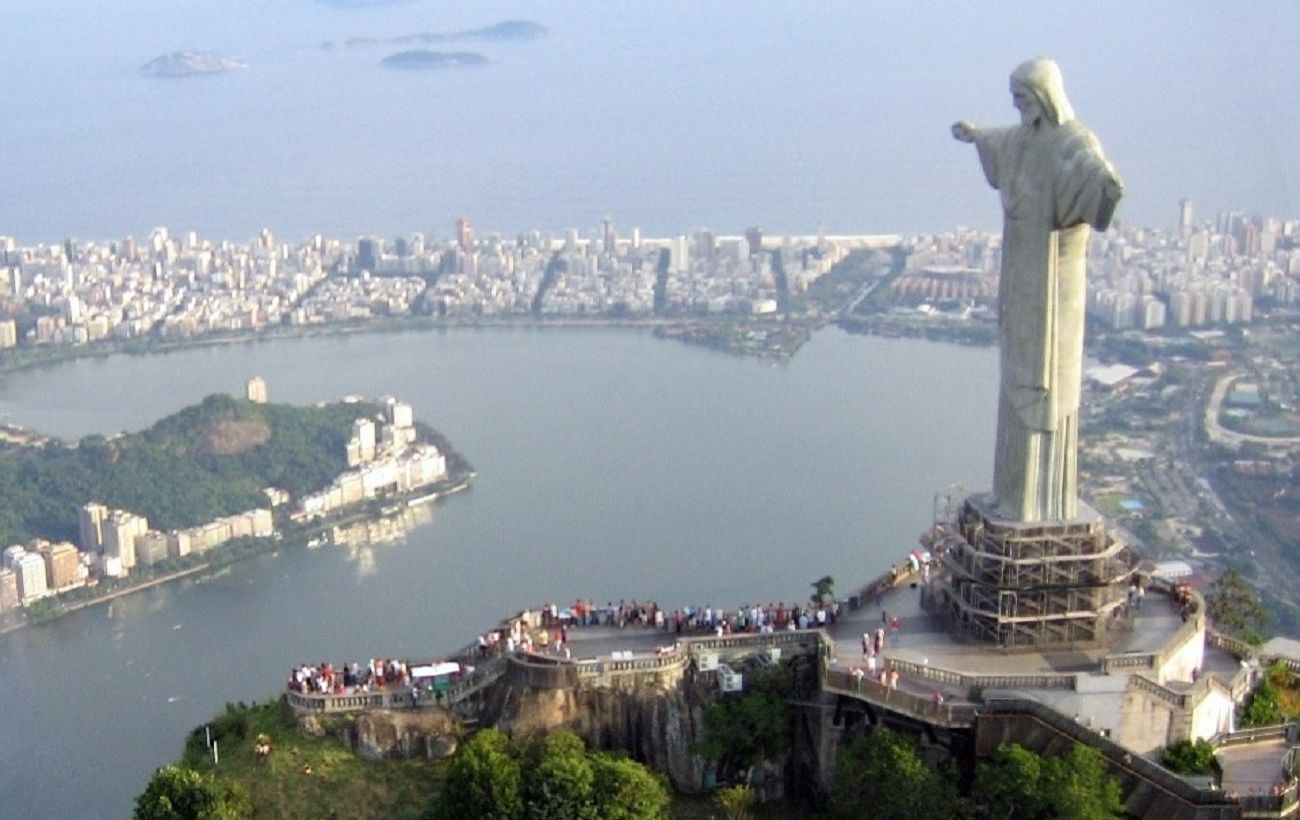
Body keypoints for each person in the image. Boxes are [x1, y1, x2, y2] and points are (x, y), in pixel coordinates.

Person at [953, 58, 1123, 522]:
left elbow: (1094, 178)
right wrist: (975, 134)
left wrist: (1106, 184)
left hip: (1054, 282)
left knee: (1045, 381)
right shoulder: (1023, 140)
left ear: (1045, 95)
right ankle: (1012, 497)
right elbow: (999, 140)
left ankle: (1041, 503)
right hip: (1020, 274)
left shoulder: (1074, 142)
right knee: (1016, 374)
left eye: (1023, 98)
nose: (1017, 107)